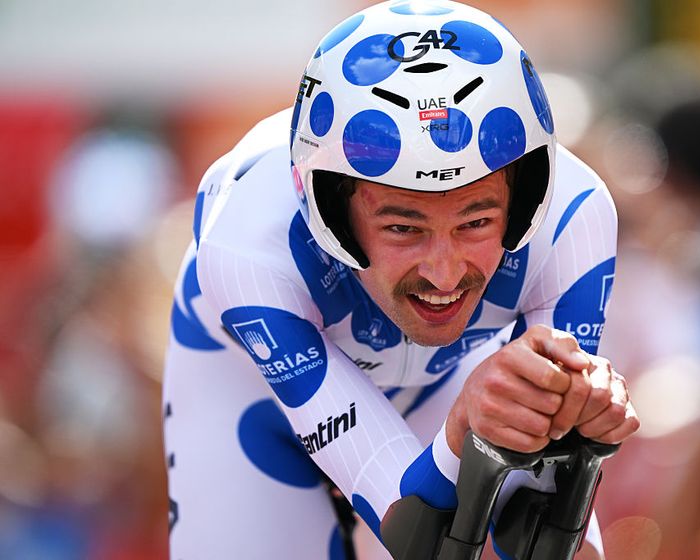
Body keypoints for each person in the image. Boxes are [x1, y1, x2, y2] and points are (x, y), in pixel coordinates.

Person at [162, 1, 639, 559]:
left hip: (444, 380)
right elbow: (417, 533)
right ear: (330, 210)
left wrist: (576, 439)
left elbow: (536, 536)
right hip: (246, 388)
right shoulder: (250, 245)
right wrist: (464, 433)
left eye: (476, 221)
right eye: (402, 227)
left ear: (526, 197)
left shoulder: (572, 217)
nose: (444, 272)